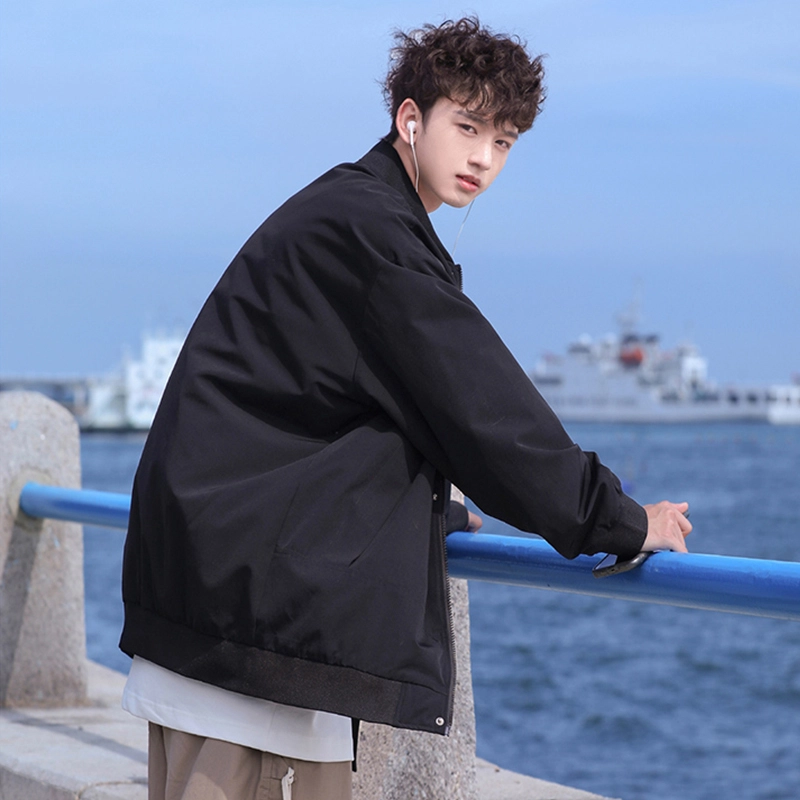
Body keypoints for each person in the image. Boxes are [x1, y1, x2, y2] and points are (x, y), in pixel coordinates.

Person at [119, 17, 692, 800]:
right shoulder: (375, 236)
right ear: (411, 119)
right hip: (246, 623)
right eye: (468, 128)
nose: (484, 158)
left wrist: (415, 516)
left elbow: (327, 406)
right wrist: (622, 520)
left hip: (237, 595)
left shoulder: (354, 212)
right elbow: (485, 414)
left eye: (505, 141)